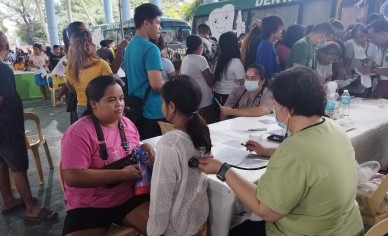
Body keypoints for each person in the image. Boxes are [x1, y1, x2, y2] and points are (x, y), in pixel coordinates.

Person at [198, 67, 364, 235]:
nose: (274, 109)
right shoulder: (333, 128)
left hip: (312, 232)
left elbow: (266, 210)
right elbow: (311, 160)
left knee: (235, 227)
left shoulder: (294, 150)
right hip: (348, 227)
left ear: (288, 108)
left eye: (275, 104)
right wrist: (267, 151)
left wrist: (222, 169)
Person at [61, 75, 155, 235]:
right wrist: (121, 174)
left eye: (121, 98)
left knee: (162, 230)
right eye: (111, 100)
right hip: (89, 205)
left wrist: (144, 147)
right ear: (94, 104)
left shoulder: (127, 124)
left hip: (127, 197)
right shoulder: (79, 133)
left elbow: (132, 149)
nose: (119, 104)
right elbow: (72, 176)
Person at [0, 31, 58, 222]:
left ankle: (8, 199)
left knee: (2, 163)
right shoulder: (3, 70)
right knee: (18, 166)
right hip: (6, 126)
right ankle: (30, 207)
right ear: (6, 46)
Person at [147, 75, 210, 236]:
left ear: (172, 107)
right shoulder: (202, 130)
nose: (162, 106)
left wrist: (154, 231)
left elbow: (161, 196)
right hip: (197, 219)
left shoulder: (170, 143)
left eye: (162, 102)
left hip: (175, 227)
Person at [124, 3, 165, 139]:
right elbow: (157, 85)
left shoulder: (130, 47)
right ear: (146, 23)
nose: (160, 28)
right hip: (153, 111)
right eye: (157, 23)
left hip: (135, 108)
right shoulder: (151, 48)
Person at [66, 30, 113, 118]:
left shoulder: (70, 67)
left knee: (87, 131)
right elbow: (111, 87)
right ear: (88, 45)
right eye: (92, 42)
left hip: (81, 106)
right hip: (101, 105)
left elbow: (72, 89)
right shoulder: (101, 64)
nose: (95, 45)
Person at [181, 34, 215, 124]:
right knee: (205, 121)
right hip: (203, 96)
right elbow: (210, 81)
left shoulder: (185, 59)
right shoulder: (200, 59)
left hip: (191, 94)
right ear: (200, 46)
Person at [213, 31, 245, 122]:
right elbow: (242, 82)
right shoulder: (236, 62)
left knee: (218, 120)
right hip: (230, 96)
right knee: (229, 121)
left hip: (217, 94)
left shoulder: (219, 60)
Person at [343, 23, 381, 95]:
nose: (359, 40)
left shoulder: (373, 46)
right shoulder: (351, 45)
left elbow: (375, 64)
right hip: (351, 78)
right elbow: (346, 65)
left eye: (362, 36)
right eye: (356, 37)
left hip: (366, 78)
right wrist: (349, 79)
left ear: (367, 35)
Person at [63, 21, 88, 124]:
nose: (87, 33)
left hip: (77, 96)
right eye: (85, 30)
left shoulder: (69, 48)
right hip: (80, 98)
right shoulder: (76, 50)